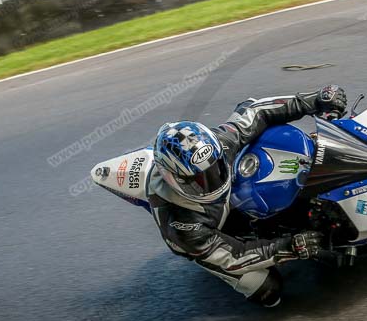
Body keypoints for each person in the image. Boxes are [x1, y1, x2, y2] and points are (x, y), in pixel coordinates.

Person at [148, 85, 347, 307]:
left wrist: (315, 101)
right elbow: (235, 256)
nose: (212, 180)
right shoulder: (182, 224)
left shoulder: (220, 144)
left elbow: (255, 111)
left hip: (221, 206)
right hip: (208, 244)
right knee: (268, 290)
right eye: (199, 180)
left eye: (215, 169)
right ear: (174, 180)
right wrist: (288, 247)